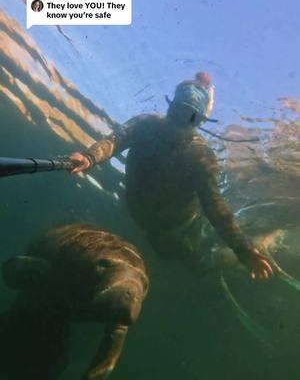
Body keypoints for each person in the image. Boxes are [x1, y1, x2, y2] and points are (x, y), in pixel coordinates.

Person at [70, 72, 273, 280]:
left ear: (199, 122)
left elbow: (215, 207)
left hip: (178, 228)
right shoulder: (145, 124)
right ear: (169, 107)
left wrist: (243, 250)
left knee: (198, 265)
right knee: (163, 250)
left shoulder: (200, 156)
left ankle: (242, 251)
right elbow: (116, 140)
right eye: (177, 112)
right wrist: (89, 157)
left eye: (189, 117)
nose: (179, 121)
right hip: (146, 218)